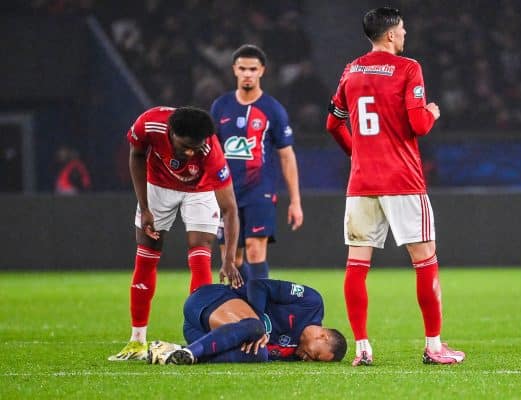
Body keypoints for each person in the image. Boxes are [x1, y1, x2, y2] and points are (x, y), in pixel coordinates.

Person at [325, 7, 465, 366]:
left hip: (361, 182)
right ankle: (434, 347)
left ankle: (362, 348)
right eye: (402, 29)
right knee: (425, 262)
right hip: (401, 180)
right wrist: (433, 112)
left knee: (357, 264)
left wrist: (357, 155)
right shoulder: (408, 68)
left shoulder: (351, 70)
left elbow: (332, 124)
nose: (405, 34)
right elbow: (418, 124)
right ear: (390, 34)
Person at [109, 106, 243, 361]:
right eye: (185, 146)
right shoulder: (149, 124)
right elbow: (136, 155)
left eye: (196, 147)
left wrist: (228, 260)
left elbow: (230, 208)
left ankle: (200, 343)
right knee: (147, 254)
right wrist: (145, 206)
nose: (191, 152)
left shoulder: (211, 151)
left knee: (200, 253)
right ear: (170, 133)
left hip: (200, 191)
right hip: (157, 185)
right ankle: (136, 341)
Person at [210, 44, 303, 281]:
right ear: (234, 70)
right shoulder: (220, 106)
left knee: (254, 249)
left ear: (262, 71)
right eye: (243, 68)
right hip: (226, 191)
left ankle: (261, 312)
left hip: (259, 191)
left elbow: (286, 155)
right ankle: (240, 312)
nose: (248, 74)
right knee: (232, 258)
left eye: (253, 69)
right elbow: (211, 151)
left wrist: (295, 201)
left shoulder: (273, 110)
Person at [148, 278, 347, 364]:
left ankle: (175, 350)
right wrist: (259, 323)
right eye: (315, 354)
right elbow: (257, 285)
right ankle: (191, 353)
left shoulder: (292, 353)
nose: (308, 359)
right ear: (323, 335)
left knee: (260, 354)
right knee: (254, 327)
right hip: (208, 301)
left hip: (201, 335)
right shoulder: (311, 302)